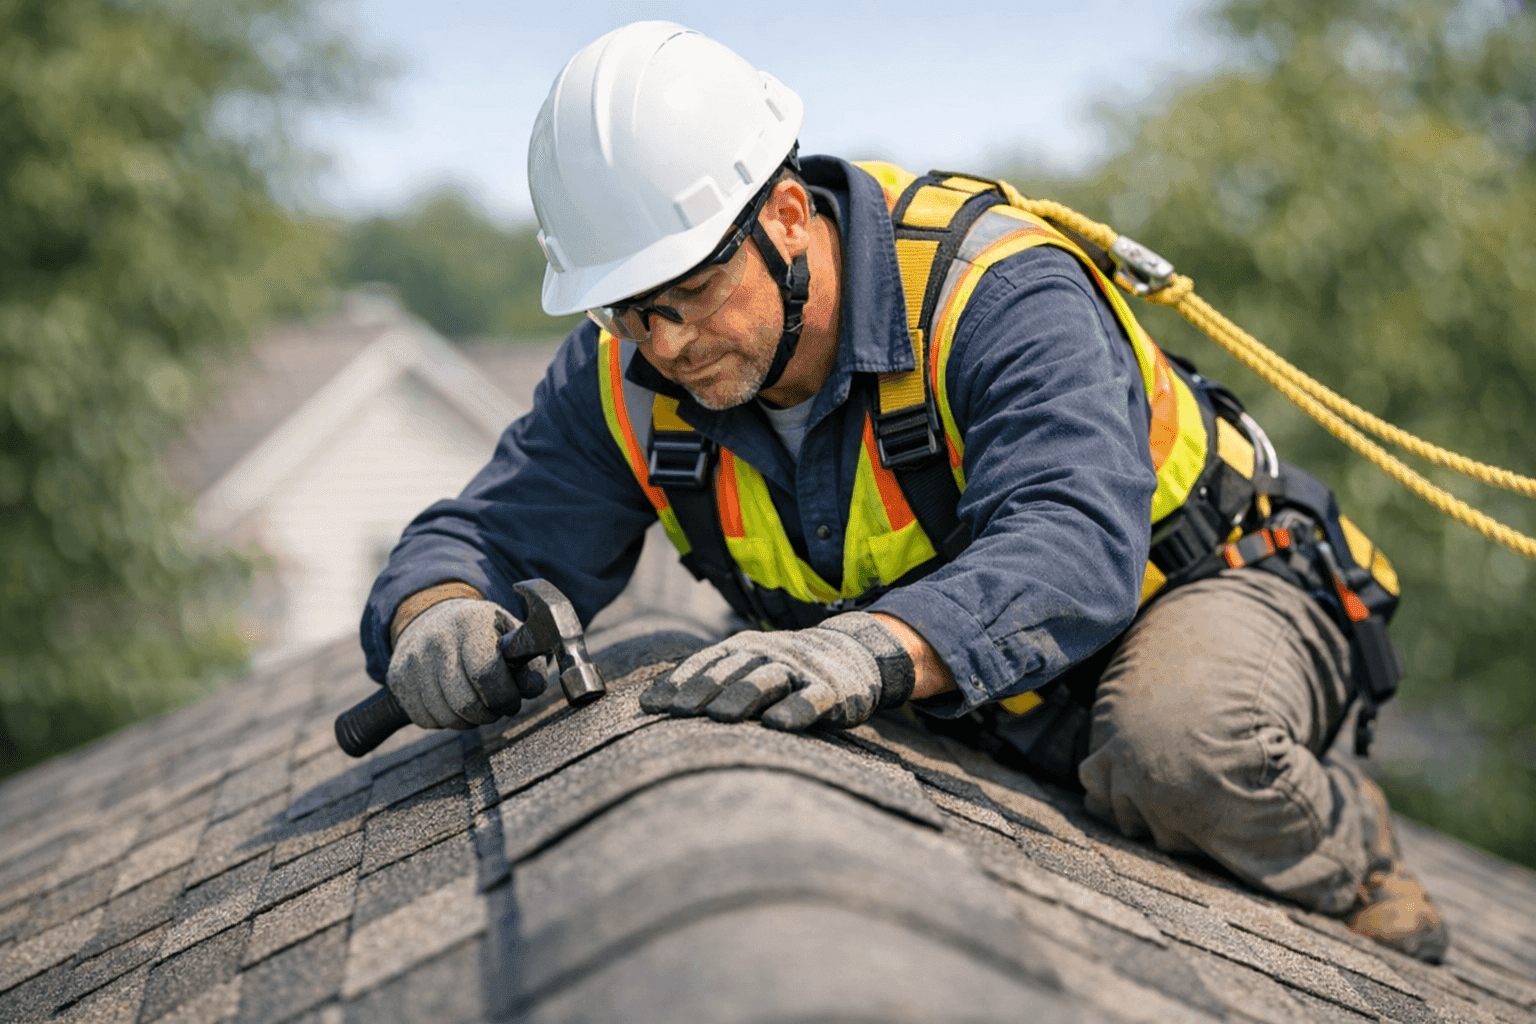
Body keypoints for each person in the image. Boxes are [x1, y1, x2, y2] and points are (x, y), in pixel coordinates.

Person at [361, 21, 1446, 961]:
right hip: (986, 680)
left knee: (1173, 749)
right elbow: (488, 534)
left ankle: (1349, 849)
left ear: (786, 215)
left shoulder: (995, 291)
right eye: (629, 309)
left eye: (692, 291)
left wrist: (862, 650)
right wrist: (436, 610)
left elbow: (1071, 537)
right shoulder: (626, 374)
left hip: (1207, 587)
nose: (667, 342)